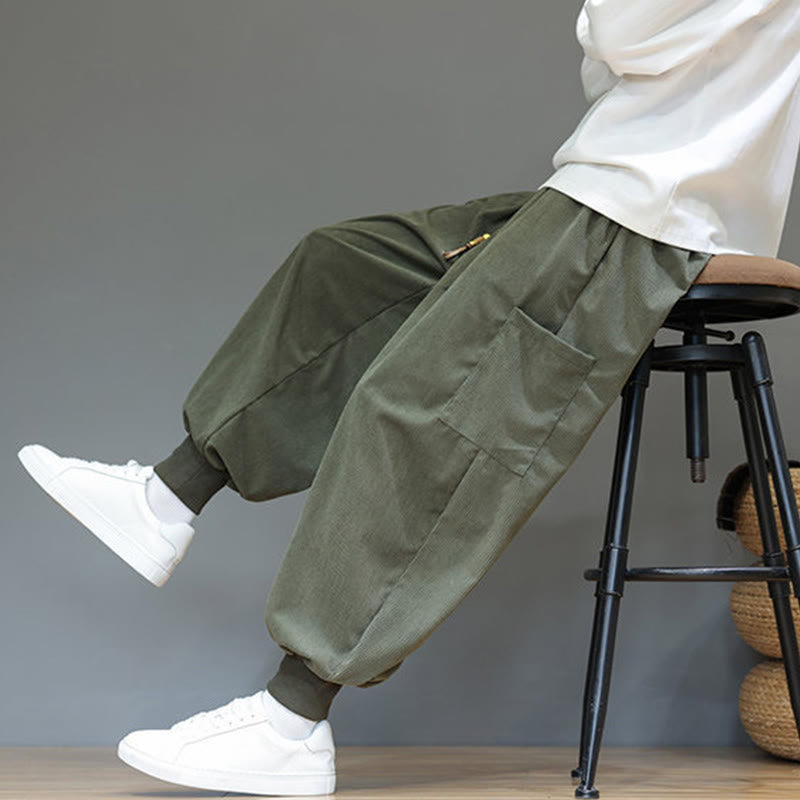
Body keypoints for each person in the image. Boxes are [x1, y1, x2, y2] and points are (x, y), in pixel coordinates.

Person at [17, 1, 800, 796]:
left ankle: (291, 721)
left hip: (652, 212)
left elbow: (624, 36)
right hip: (613, 189)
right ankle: (166, 496)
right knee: (348, 266)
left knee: (430, 412)